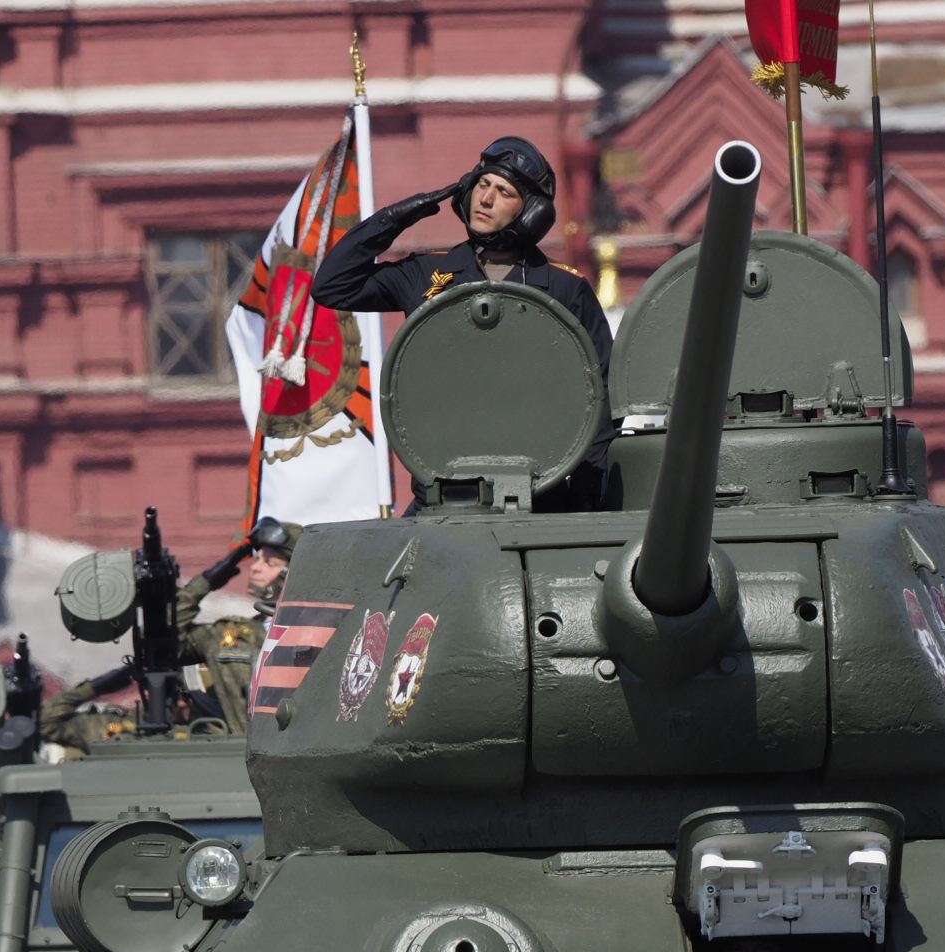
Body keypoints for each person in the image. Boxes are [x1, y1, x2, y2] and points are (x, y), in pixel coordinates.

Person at [313, 135, 615, 504]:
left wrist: (583, 501)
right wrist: (400, 216)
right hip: (443, 491)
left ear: (531, 212)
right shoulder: (426, 273)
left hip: (541, 493)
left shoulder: (564, 288)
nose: (485, 199)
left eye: (504, 192)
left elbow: (602, 396)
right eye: (482, 184)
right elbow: (332, 286)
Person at [40, 519, 300, 744]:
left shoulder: (318, 630)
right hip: (238, 756)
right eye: (257, 558)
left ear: (293, 572)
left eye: (269, 562)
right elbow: (169, 635)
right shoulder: (231, 635)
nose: (254, 567)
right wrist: (208, 581)